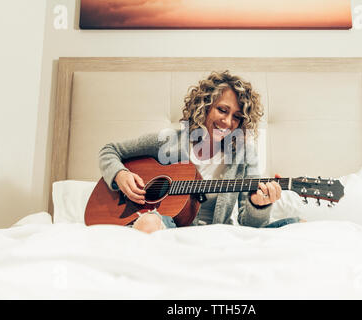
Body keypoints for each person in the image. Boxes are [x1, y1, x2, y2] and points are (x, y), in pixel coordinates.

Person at [99, 71, 301, 233]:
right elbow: (110, 150)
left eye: (237, 117)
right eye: (222, 110)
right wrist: (120, 174)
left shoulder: (244, 155)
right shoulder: (169, 142)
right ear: (204, 106)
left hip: (218, 235)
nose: (228, 122)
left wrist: (258, 205)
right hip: (169, 228)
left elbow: (250, 226)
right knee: (149, 223)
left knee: (300, 226)